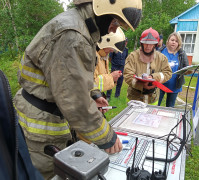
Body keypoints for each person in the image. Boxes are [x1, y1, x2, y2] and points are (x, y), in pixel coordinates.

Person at [13, 0, 142, 179]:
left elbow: (74, 78)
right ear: (102, 9)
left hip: (48, 115)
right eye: (115, 22)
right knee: (48, 175)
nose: (113, 30)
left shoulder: (81, 29)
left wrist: (94, 94)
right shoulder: (73, 36)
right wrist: (108, 138)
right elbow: (76, 102)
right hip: (41, 126)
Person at [124, 27, 172, 104]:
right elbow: (127, 75)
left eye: (151, 44)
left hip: (152, 99)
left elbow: (168, 73)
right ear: (141, 43)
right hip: (135, 99)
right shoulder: (132, 56)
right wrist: (141, 85)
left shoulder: (162, 58)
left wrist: (154, 77)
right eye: (145, 43)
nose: (148, 46)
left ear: (155, 44)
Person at [157, 32, 191, 107]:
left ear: (179, 43)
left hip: (174, 86)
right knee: (155, 105)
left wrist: (188, 71)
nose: (174, 42)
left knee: (170, 108)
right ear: (168, 40)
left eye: (176, 41)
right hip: (159, 84)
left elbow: (186, 67)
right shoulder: (160, 51)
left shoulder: (181, 53)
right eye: (172, 40)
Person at [94, 27, 125, 93]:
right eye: (111, 48)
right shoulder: (93, 56)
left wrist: (113, 78)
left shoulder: (104, 57)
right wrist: (111, 77)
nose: (111, 51)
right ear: (104, 42)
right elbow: (90, 85)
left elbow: (101, 81)